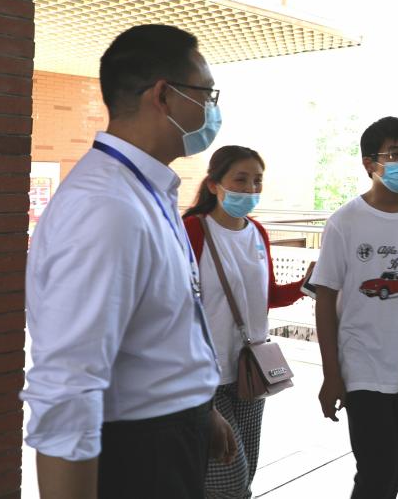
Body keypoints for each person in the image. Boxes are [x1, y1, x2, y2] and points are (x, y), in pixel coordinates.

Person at [22, 24, 236, 499]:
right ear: (163, 96)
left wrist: (201, 408)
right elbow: (68, 390)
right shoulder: (106, 205)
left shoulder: (144, 189)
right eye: (206, 94)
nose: (211, 109)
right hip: (139, 455)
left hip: (170, 436)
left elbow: (160, 331)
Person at [302, 116, 398, 499]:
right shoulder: (344, 223)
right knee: (377, 469)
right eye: (395, 154)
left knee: (395, 465)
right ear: (369, 163)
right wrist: (331, 374)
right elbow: (325, 301)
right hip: (361, 368)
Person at [182, 145, 306, 498]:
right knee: (228, 480)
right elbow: (177, 306)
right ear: (213, 184)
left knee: (245, 472)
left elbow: (267, 297)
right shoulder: (193, 230)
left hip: (250, 372)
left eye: (257, 181)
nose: (250, 189)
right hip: (205, 377)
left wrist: (305, 285)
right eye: (240, 179)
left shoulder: (257, 233)